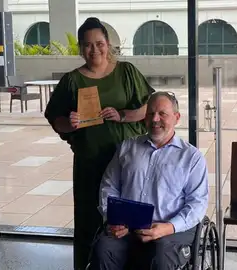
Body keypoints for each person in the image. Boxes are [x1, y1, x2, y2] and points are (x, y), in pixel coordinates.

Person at [44, 17, 155, 270]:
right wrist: (69, 124)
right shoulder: (72, 80)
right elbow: (55, 119)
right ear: (80, 48)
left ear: (108, 44)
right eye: (87, 45)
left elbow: (149, 106)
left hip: (127, 163)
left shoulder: (126, 72)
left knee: (128, 220)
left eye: (99, 43)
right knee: (89, 220)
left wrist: (123, 115)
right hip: (89, 163)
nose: (94, 50)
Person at [90, 92, 209, 270]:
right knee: (103, 250)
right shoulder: (127, 148)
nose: (155, 119)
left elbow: (197, 204)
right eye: (150, 113)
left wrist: (168, 227)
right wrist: (112, 218)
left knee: (159, 255)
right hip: (126, 227)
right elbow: (109, 186)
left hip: (169, 229)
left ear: (176, 118)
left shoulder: (191, 157)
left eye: (162, 114)